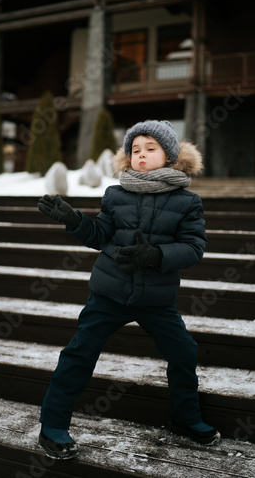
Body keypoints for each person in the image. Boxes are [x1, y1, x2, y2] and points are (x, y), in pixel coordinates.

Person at [37, 120, 220, 459]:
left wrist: (155, 255)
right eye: (135, 150)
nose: (141, 155)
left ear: (169, 156)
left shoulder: (187, 202)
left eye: (151, 149)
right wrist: (73, 219)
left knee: (184, 352)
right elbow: (100, 236)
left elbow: (194, 248)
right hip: (109, 294)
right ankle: (52, 425)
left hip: (156, 300)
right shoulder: (116, 194)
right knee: (79, 353)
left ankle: (185, 417)